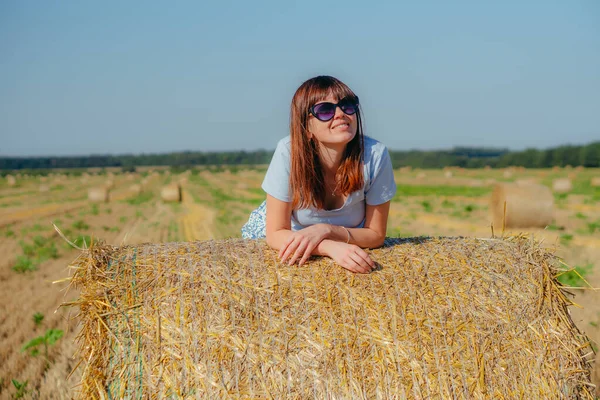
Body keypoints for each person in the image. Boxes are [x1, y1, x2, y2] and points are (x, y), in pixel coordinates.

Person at [242, 76, 396, 274]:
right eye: (325, 110)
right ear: (306, 128)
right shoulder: (288, 152)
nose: (340, 114)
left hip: (346, 235)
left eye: (347, 105)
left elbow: (376, 235)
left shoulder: (375, 155)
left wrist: (326, 230)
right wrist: (328, 247)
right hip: (292, 233)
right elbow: (275, 234)